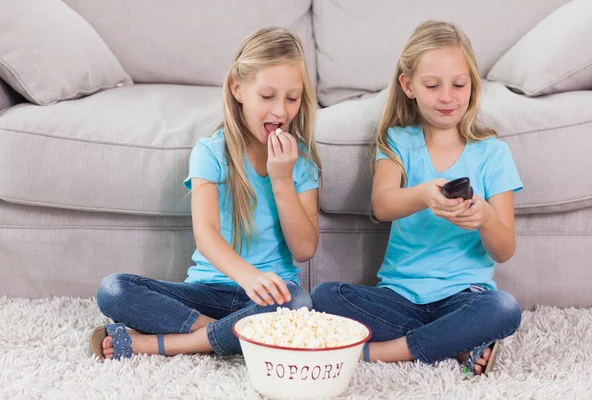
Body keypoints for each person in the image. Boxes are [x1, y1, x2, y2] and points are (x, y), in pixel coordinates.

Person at [89, 27, 321, 360]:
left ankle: (157, 344)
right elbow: (206, 234)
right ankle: (229, 332)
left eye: (292, 98)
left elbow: (304, 249)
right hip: (207, 290)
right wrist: (247, 276)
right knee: (113, 289)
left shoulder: (302, 163)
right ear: (238, 89)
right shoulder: (210, 153)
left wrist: (282, 179)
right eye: (267, 96)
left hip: (272, 296)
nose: (281, 111)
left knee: (299, 305)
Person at [311, 20, 523, 377]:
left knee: (504, 308)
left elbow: (504, 249)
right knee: (324, 296)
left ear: (473, 84)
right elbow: (383, 204)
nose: (447, 97)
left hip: (464, 297)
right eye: (432, 85)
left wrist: (485, 217)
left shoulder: (492, 153)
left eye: (459, 84)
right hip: (399, 297)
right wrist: (424, 194)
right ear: (408, 86)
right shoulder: (398, 142)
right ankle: (454, 343)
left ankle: (386, 352)